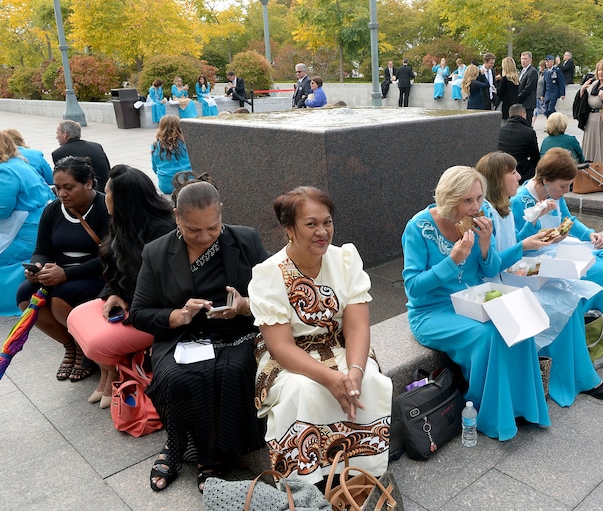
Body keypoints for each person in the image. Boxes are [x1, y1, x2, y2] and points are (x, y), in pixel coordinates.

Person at [130, 180, 267, 493]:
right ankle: (181, 446)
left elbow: (278, 291)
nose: (205, 237)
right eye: (194, 230)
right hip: (183, 336)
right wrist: (176, 316)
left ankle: (210, 454)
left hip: (236, 333)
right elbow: (139, 312)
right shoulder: (157, 252)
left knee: (232, 371)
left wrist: (245, 306)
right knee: (178, 377)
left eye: (213, 227)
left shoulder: (245, 240)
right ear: (177, 216)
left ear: (220, 213)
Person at [248, 186, 392, 483]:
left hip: (338, 343)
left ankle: (361, 476)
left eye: (327, 222)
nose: (322, 231)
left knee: (370, 381)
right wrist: (329, 377)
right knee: (302, 391)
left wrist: (354, 369)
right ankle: (306, 482)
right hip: (290, 356)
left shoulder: (345, 260)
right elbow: (281, 345)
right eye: (311, 224)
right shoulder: (269, 273)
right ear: (289, 228)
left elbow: (356, 326)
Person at [401, 165, 550, 441]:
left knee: (517, 323)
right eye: (467, 200)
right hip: (432, 311)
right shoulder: (419, 227)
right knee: (489, 335)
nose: (476, 206)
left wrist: (484, 242)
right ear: (449, 198)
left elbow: (489, 268)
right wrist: (452, 261)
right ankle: (488, 414)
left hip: (472, 301)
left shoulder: (483, 217)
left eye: (479, 198)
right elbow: (414, 289)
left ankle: (520, 406)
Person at [476, 152, 603, 404]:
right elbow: (496, 261)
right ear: (499, 179)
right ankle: (575, 376)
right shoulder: (491, 211)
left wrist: (535, 227)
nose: (520, 176)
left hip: (513, 273)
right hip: (505, 281)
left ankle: (580, 371)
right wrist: (529, 242)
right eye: (513, 172)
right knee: (565, 300)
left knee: (572, 297)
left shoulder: (504, 207)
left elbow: (516, 240)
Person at [67, 165, 175, 408]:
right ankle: (108, 372)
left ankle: (114, 372)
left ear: (123, 198)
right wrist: (114, 294)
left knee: (97, 343)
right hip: (128, 299)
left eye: (107, 191)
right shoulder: (122, 222)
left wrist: (124, 298)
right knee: (76, 316)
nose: (104, 196)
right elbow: (113, 270)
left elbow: (159, 288)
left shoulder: (161, 231)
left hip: (154, 312)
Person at [511, 148, 603, 355]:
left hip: (557, 249)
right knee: (598, 270)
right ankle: (589, 337)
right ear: (545, 179)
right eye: (564, 186)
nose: (566, 190)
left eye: (568, 185)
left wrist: (590, 234)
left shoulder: (554, 194)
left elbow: (568, 220)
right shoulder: (519, 201)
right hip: (536, 259)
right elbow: (516, 244)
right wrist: (550, 237)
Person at [16, 156, 110, 381]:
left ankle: (84, 348)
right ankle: (71, 345)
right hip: (61, 272)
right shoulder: (54, 211)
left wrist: (66, 273)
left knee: (60, 298)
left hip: (98, 273)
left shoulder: (104, 208)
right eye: (57, 188)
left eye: (68, 187)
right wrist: (37, 266)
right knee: (24, 294)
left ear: (88, 183)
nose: (61, 194)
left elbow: (111, 256)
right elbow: (42, 249)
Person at [0, 131, 54, 316]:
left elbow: (2, 209)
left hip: (26, 232)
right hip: (38, 225)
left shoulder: (5, 170)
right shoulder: (19, 163)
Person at [52, 120, 110, 192]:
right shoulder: (96, 146)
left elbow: (62, 181)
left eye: (57, 133)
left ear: (65, 134)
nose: (56, 137)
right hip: (106, 190)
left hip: (84, 194)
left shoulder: (58, 153)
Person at [150, 115, 193, 195]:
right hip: (187, 182)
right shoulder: (186, 143)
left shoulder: (155, 146)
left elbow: (155, 168)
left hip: (166, 186)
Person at [497, 103, 540, 182]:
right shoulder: (529, 132)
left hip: (500, 169)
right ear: (522, 114)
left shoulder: (500, 130)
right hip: (522, 172)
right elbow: (536, 156)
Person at [517, 51, 539, 125]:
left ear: (530, 60)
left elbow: (528, 88)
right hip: (522, 103)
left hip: (528, 103)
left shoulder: (532, 71)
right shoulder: (522, 71)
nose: (523, 61)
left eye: (525, 59)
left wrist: (518, 97)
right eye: (522, 59)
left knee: (527, 123)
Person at [496, 57, 519, 121]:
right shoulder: (516, 79)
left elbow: (500, 93)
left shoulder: (504, 79)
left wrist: (498, 82)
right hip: (514, 105)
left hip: (505, 106)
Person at [533, 60, 547, 125]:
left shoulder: (546, 75)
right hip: (537, 94)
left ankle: (550, 123)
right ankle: (532, 124)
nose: (539, 67)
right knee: (536, 111)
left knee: (545, 111)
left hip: (542, 95)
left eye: (540, 66)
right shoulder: (539, 74)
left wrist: (543, 95)